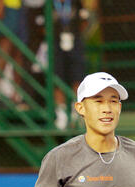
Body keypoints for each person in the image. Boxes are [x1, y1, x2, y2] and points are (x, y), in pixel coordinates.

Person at [53, 0, 90, 129]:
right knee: (57, 79)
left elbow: (85, 21)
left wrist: (76, 34)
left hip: (75, 44)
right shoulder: (50, 4)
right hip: (56, 45)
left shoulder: (76, 3)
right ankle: (61, 114)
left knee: (77, 77)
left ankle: (76, 113)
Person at [0, 0, 24, 104]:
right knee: (4, 48)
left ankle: (16, 95)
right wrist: (0, 4)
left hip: (18, 8)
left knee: (17, 52)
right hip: (8, 7)